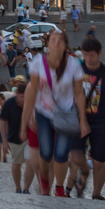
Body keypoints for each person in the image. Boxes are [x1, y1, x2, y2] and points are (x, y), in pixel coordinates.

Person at [20, 31, 89, 197]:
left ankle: (59, 188)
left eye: (60, 41)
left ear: (65, 45)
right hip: (44, 112)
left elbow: (79, 94)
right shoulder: (38, 63)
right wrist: (26, 121)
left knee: (61, 154)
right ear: (48, 44)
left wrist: (83, 120)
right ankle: (44, 178)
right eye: (53, 40)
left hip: (66, 112)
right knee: (45, 153)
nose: (56, 43)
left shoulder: (74, 65)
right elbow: (32, 92)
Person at [65, 36, 105, 201]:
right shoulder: (75, 68)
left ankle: (96, 194)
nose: (88, 59)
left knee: (98, 160)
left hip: (102, 121)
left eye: (91, 55)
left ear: (99, 53)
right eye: (85, 55)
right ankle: (83, 171)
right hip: (77, 118)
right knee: (75, 155)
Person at [0, 85, 33, 193]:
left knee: (30, 163)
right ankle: (18, 187)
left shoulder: (32, 102)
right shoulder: (9, 104)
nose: (24, 99)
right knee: (16, 164)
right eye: (22, 97)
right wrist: (4, 141)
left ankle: (26, 188)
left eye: (26, 97)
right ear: (17, 95)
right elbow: (3, 122)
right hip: (14, 138)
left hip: (29, 138)